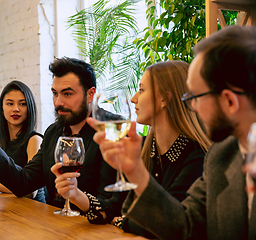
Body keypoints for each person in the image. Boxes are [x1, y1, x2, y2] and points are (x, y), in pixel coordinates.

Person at [91, 25, 256, 240]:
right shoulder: (222, 156)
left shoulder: (202, 153)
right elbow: (184, 228)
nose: (192, 107)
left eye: (196, 97)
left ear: (229, 101)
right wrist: (135, 171)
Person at [51, 60, 211, 237]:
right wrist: (75, 195)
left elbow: (173, 228)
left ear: (165, 99)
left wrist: (123, 221)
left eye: (141, 90)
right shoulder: (144, 147)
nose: (133, 98)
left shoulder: (198, 156)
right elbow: (113, 208)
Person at [0, 57, 116, 207]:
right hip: (52, 223)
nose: (58, 102)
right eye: (55, 93)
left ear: (90, 94)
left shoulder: (113, 131)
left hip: (92, 227)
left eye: (67, 94)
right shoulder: (54, 132)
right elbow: (23, 183)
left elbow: (110, 205)